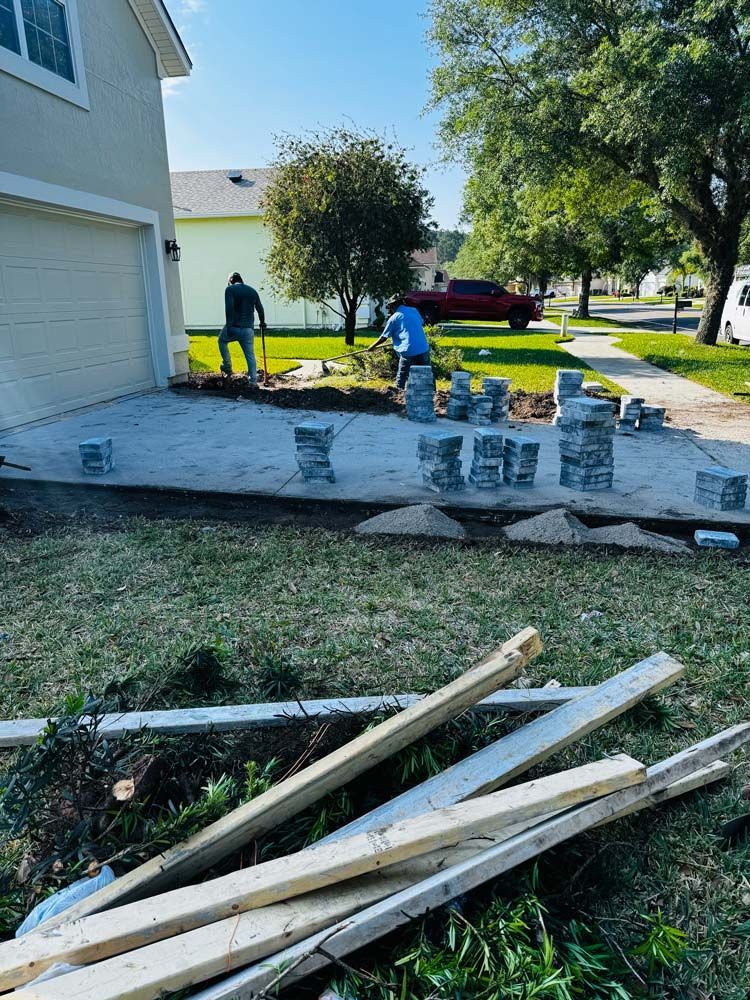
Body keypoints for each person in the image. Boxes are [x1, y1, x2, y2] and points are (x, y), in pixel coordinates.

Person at [368, 294, 431, 390]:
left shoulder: (394, 318)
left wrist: (372, 347)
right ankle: (433, 392)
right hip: (423, 347)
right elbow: (417, 324)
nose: (389, 310)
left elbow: (383, 337)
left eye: (389, 307)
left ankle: (398, 393)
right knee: (427, 374)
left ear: (393, 306)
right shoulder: (414, 311)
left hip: (408, 350)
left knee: (402, 375)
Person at [219, 273, 266, 382]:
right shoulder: (252, 291)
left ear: (231, 280)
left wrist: (229, 326)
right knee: (250, 355)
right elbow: (260, 309)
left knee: (221, 341)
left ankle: (227, 366)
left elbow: (229, 309)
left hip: (234, 326)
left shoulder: (230, 290)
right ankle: (253, 381)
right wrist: (262, 322)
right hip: (248, 329)